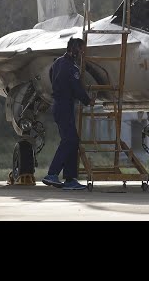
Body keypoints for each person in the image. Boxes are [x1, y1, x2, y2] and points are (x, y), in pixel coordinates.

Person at [42, 37, 94, 190]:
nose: (83, 53)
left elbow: (52, 75)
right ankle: (52, 174)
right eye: (81, 49)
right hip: (64, 105)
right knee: (69, 140)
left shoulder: (57, 62)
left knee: (72, 140)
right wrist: (87, 100)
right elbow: (76, 88)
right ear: (74, 49)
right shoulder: (71, 67)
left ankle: (70, 179)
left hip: (59, 104)